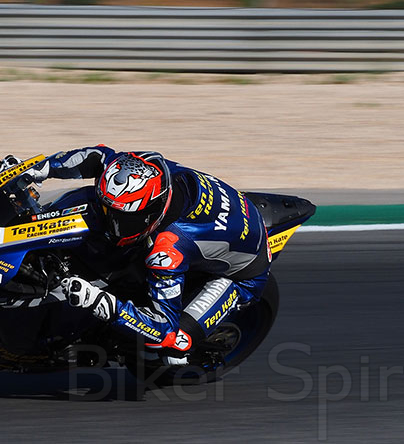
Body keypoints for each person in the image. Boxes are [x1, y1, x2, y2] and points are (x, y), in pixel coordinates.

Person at [21, 146, 272, 365]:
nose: (109, 222)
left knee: (175, 344)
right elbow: (98, 156)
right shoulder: (143, 168)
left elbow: (164, 328)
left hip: (243, 274)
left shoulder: (168, 250)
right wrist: (43, 167)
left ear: (150, 214)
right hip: (227, 219)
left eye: (121, 219)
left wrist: (101, 303)